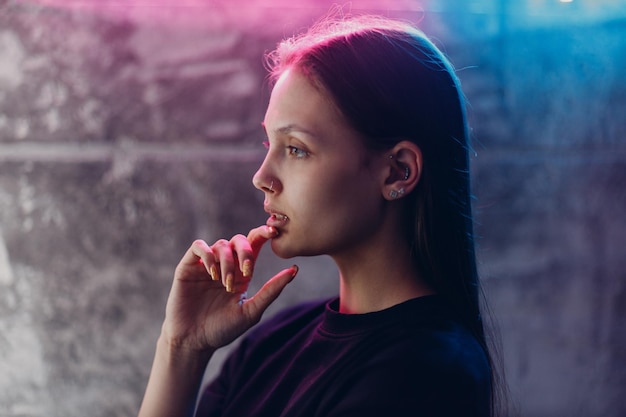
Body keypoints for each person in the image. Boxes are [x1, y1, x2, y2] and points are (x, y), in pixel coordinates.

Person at [138, 14, 501, 417]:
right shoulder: (277, 338)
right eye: (269, 143)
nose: (261, 177)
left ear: (398, 171)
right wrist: (182, 349)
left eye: (296, 149)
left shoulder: (429, 373)